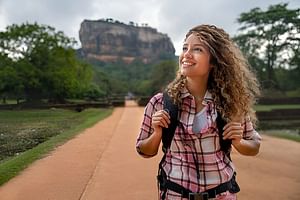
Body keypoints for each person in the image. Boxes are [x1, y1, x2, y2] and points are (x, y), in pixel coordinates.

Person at [136, 24, 262, 200]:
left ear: (214, 61)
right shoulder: (160, 103)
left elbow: (254, 146)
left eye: (197, 49)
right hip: (174, 195)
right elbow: (144, 150)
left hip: (221, 196)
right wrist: (157, 134)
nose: (186, 54)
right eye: (185, 48)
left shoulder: (232, 104)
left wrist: (239, 142)